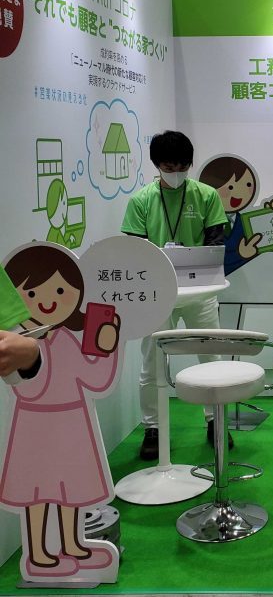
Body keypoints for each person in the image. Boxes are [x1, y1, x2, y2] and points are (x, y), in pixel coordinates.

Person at [1, 244, 120, 578]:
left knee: (72, 487)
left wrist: (109, 347)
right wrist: (30, 355)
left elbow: (96, 380)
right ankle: (39, 554)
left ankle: (72, 545)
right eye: (32, 292)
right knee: (37, 490)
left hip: (74, 420)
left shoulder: (67, 337)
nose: (48, 301)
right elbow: (28, 386)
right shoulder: (19, 340)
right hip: (34, 425)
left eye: (59, 290)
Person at [121, 130, 230, 460]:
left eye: (183, 166)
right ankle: (152, 428)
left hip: (201, 291)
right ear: (157, 164)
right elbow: (135, 249)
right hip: (157, 293)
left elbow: (215, 242)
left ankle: (215, 421)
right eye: (169, 166)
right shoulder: (141, 201)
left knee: (211, 356)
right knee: (152, 362)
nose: (177, 172)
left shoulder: (206, 195)